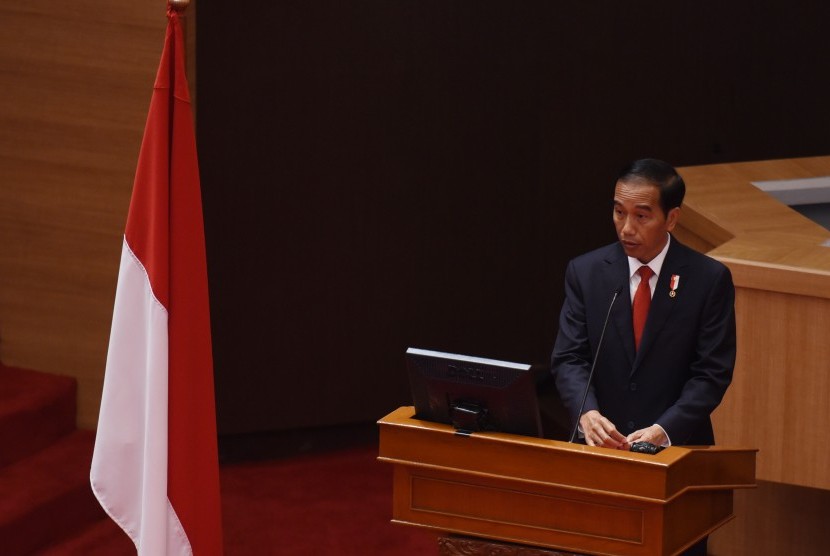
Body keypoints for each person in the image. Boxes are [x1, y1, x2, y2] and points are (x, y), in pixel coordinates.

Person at [550, 158, 736, 554]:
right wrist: (586, 413)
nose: (626, 228)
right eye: (619, 212)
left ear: (672, 219)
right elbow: (569, 358)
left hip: (678, 461)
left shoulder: (708, 279)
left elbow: (711, 375)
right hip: (602, 458)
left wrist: (664, 430)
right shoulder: (586, 273)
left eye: (641, 215)